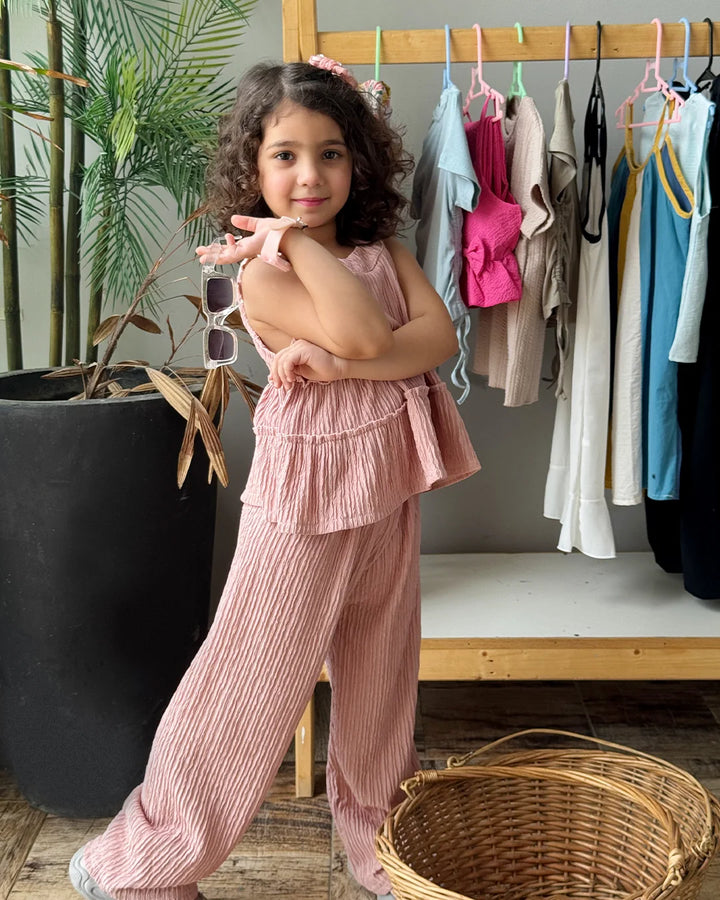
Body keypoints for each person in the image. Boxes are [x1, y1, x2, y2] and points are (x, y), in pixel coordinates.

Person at [69, 57, 480, 900]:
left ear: (357, 159)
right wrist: (291, 244)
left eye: (330, 153)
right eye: (285, 155)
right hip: (306, 492)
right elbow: (369, 338)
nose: (309, 175)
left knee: (380, 676)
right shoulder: (262, 269)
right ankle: (138, 860)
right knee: (250, 677)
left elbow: (436, 341)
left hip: (386, 479)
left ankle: (378, 845)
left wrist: (340, 363)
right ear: (252, 167)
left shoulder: (379, 248)